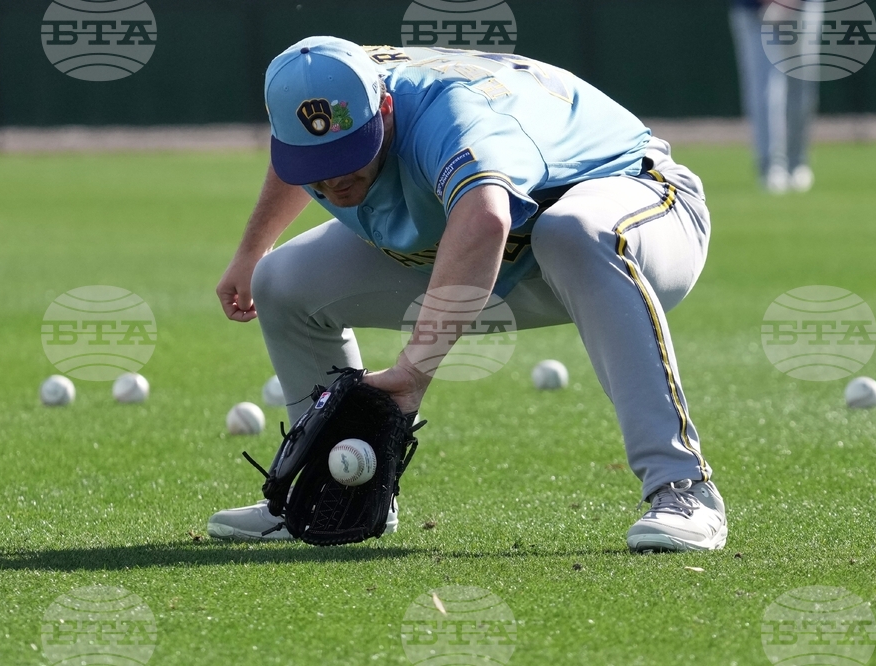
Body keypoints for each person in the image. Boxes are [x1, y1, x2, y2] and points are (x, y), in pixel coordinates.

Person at [207, 36, 727, 553]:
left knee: (571, 232)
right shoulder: (336, 94)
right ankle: (339, 492)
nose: (334, 178)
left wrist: (413, 370)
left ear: (384, 109)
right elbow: (310, 143)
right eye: (316, 162)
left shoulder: (452, 113)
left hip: (638, 209)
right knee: (279, 281)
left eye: (348, 155)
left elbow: (485, 220)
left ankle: (683, 488)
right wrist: (252, 250)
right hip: (496, 245)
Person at [730, 0, 818, 193]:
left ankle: (797, 162)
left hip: (801, 6)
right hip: (753, 9)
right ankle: (771, 166)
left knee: (801, 85)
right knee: (764, 88)